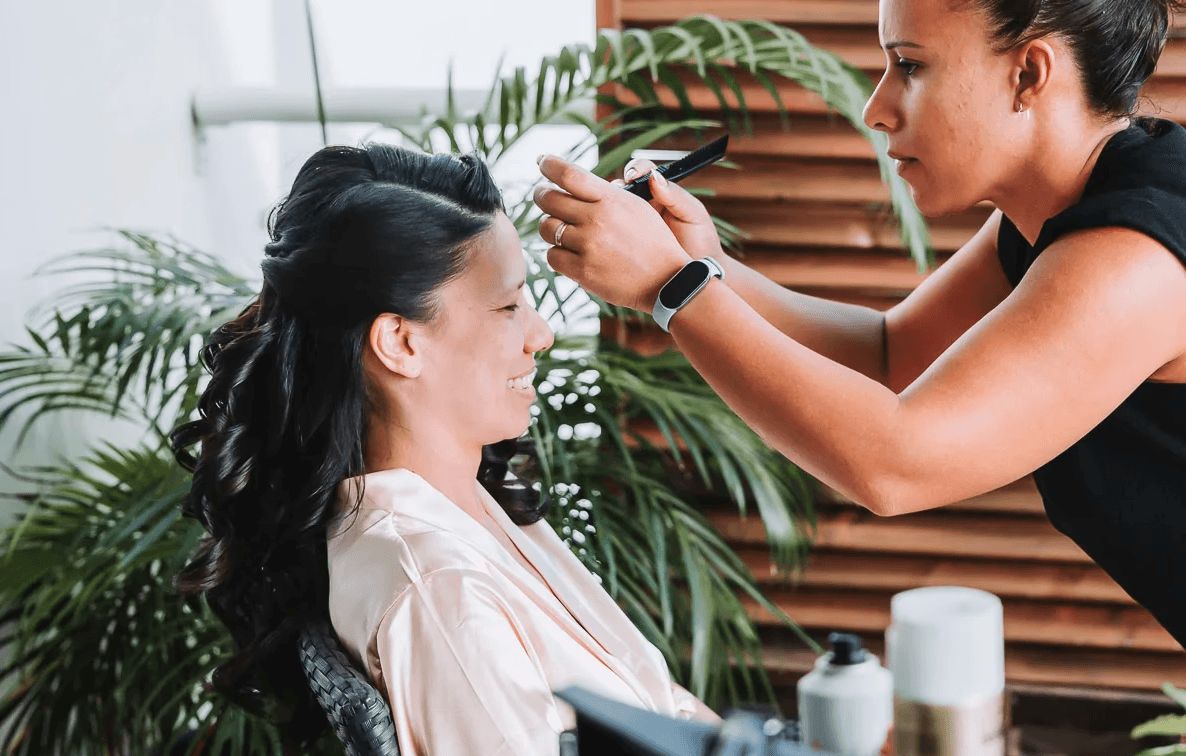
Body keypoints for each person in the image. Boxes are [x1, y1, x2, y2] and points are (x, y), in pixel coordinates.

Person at [534, 0, 1186, 649]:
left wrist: (670, 287)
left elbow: (896, 464)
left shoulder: (1136, 252)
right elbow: (889, 355)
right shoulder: (1056, 215)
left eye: (909, 65)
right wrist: (707, 264)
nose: (876, 109)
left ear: (1028, 74)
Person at [170, 144, 717, 756]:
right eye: (508, 306)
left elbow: (662, 709)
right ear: (401, 343)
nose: (542, 333)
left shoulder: (464, 509)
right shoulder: (437, 587)